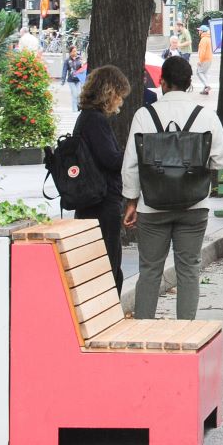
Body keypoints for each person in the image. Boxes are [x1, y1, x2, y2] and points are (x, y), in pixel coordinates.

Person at [122, 56, 223, 320]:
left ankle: (144, 330)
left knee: (150, 270)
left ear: (162, 82)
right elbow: (221, 160)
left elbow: (130, 165)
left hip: (151, 206)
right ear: (190, 83)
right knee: (189, 269)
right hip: (193, 206)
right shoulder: (206, 116)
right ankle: (186, 331)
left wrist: (131, 202)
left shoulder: (144, 116)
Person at [74, 65, 131, 295]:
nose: (120, 102)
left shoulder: (87, 118)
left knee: (104, 263)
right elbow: (110, 160)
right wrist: (131, 154)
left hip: (92, 200)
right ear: (110, 92)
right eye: (119, 96)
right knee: (109, 264)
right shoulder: (95, 121)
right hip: (101, 201)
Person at [61, 46, 83, 112]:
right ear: (70, 52)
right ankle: (74, 110)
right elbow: (64, 70)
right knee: (74, 94)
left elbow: (82, 69)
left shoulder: (79, 59)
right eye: (73, 51)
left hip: (78, 80)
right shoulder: (67, 61)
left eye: (76, 51)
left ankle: (78, 108)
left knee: (79, 94)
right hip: (71, 80)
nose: (75, 52)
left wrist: (82, 64)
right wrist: (63, 79)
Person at [196, 25, 213, 95]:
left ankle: (207, 85)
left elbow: (202, 51)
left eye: (199, 30)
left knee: (199, 72)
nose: (198, 31)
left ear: (202, 31)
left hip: (204, 59)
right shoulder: (208, 38)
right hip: (209, 58)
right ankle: (206, 90)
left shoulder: (203, 40)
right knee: (204, 73)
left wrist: (200, 60)